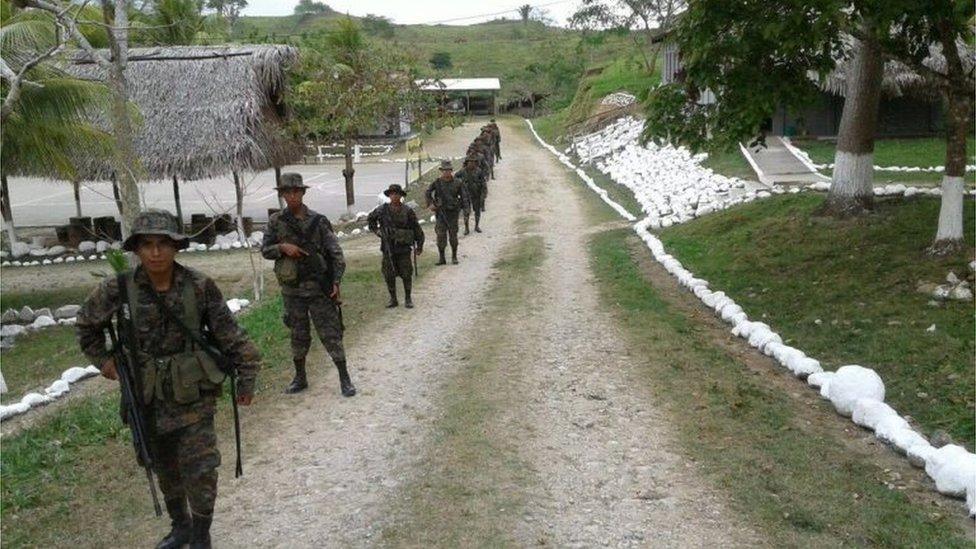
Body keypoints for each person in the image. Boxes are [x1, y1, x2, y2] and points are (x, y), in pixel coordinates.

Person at [76, 209, 261, 549]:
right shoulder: (117, 289)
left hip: (193, 395)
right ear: (136, 249)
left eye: (163, 244)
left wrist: (247, 377)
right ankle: (181, 528)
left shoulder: (199, 286)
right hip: (147, 397)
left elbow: (230, 335)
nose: (156, 252)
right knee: (164, 466)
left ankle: (202, 534)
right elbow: (86, 327)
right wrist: (106, 363)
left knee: (201, 467)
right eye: (147, 245)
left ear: (177, 246)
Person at [261, 173, 355, 397]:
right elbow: (265, 250)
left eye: (296, 191)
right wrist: (283, 248)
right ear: (282, 195)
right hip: (292, 291)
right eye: (287, 192)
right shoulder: (276, 222)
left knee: (330, 333)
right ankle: (300, 377)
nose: (291, 196)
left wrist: (335, 282)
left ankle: (345, 378)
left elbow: (335, 254)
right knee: (298, 334)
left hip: (318, 288)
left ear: (303, 193)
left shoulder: (318, 221)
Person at [367, 184, 425, 308]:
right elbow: (371, 219)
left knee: (406, 273)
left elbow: (416, 228)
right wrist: (378, 231)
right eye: (392, 194)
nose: (395, 196)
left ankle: (408, 298)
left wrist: (419, 245)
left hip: (403, 247)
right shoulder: (382, 210)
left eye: (397, 194)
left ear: (400, 196)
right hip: (388, 247)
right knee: (389, 273)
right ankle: (393, 299)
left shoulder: (407, 211)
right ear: (389, 195)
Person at [425, 160, 468, 265]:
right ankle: (442, 258)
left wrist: (465, 209)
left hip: (453, 213)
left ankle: (454, 256)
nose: (446, 172)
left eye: (448, 170)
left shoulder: (458, 182)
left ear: (451, 171)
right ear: (441, 171)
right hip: (440, 213)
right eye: (444, 170)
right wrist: (431, 204)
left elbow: (464, 196)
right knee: (440, 236)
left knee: (453, 236)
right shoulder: (437, 182)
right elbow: (428, 192)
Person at [457, 157, 487, 234]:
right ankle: (466, 228)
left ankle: (476, 226)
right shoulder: (462, 171)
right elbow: (455, 178)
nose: (472, 164)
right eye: (470, 162)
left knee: (477, 211)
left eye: (474, 162)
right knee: (466, 212)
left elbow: (483, 183)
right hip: (465, 195)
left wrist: (483, 194)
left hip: (476, 194)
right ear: (467, 163)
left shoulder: (479, 171)